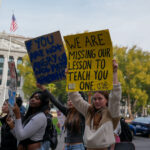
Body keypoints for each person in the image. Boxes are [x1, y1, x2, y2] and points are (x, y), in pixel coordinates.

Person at [68, 60, 122, 150]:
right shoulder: (89, 110)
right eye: (94, 99)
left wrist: (114, 72)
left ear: (107, 100)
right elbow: (74, 96)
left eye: (100, 99)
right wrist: (70, 77)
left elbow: (115, 97)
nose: (96, 101)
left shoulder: (111, 113)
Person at [37, 84, 86, 150]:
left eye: (72, 99)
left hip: (78, 146)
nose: (70, 101)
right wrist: (43, 88)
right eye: (68, 100)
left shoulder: (83, 112)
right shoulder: (67, 112)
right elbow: (55, 101)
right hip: (67, 146)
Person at [7, 84, 49, 150]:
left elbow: (21, 136)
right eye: (32, 97)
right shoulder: (30, 116)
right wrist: (12, 126)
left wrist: (18, 115)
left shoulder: (40, 117)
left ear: (42, 103)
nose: (33, 99)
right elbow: (19, 136)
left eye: (37, 98)